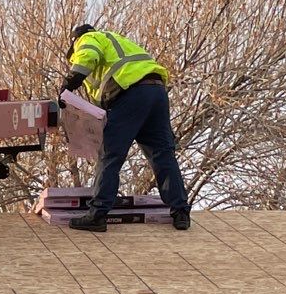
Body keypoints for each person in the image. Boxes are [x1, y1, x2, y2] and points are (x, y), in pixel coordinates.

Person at [60, 24, 190, 231]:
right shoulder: (119, 42)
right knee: (162, 154)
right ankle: (181, 212)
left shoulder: (88, 39)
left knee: (110, 154)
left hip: (131, 94)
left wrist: (68, 83)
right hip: (156, 92)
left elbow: (87, 55)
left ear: (76, 41)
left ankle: (98, 214)